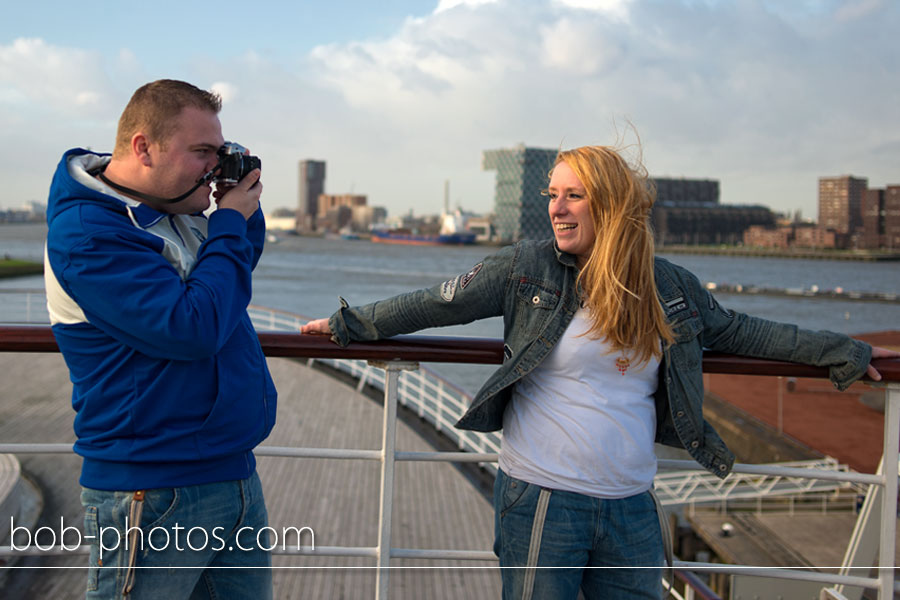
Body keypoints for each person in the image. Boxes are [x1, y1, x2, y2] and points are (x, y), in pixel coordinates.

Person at [301, 145, 899, 599]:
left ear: (609, 204)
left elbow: (747, 332)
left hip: (632, 505)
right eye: (552, 195)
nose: (556, 209)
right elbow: (439, 302)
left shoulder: (670, 287)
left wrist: (843, 352)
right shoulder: (527, 270)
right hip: (542, 499)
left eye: (573, 195)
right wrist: (349, 324)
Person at [44, 79, 277, 599]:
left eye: (219, 154)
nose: (213, 168)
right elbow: (192, 329)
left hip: (231, 469)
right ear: (143, 147)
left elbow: (231, 278)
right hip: (150, 487)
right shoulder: (88, 234)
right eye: (202, 153)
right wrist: (228, 222)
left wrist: (239, 213)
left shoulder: (176, 211)